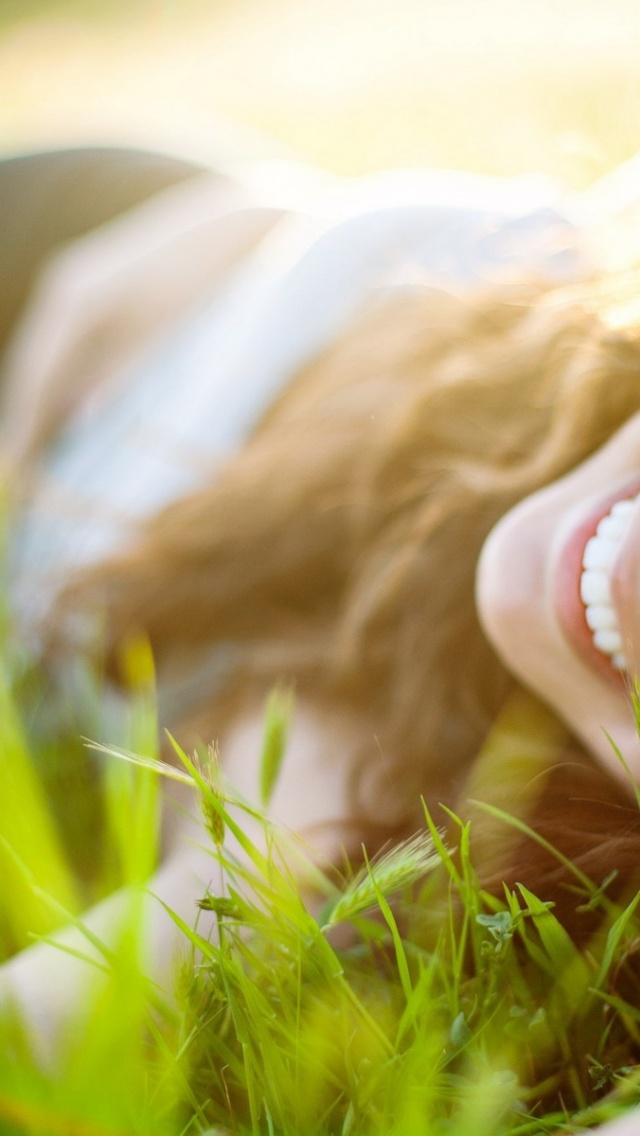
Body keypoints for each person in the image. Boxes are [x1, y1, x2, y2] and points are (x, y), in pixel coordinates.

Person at [1, 145, 640, 1132]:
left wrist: (238, 873)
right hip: (87, 263)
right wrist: (259, 221)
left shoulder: (368, 825)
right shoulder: (558, 302)